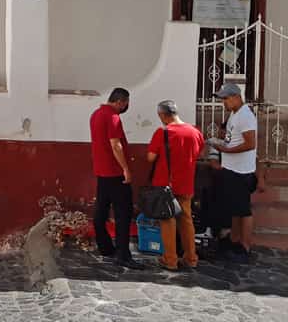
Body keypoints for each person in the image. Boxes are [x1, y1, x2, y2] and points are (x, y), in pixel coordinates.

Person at [146, 100, 205, 271]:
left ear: (162, 115)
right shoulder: (195, 132)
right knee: (186, 219)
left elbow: (150, 157)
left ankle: (170, 259)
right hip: (186, 183)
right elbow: (199, 153)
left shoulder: (162, 132)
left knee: (168, 220)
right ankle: (191, 257)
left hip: (166, 185)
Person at [90, 87, 140, 268]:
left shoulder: (96, 114)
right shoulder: (113, 117)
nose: (126, 106)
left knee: (101, 211)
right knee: (123, 214)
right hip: (115, 173)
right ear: (120, 101)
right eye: (126, 103)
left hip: (102, 172)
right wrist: (125, 168)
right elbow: (115, 145)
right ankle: (123, 255)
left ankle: (105, 247)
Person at [207, 83, 257, 262]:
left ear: (236, 97)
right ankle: (234, 240)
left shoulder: (245, 116)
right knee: (235, 210)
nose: (224, 103)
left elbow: (250, 144)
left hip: (241, 171)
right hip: (231, 169)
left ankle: (245, 246)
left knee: (244, 211)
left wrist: (226, 150)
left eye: (226, 99)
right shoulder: (234, 114)